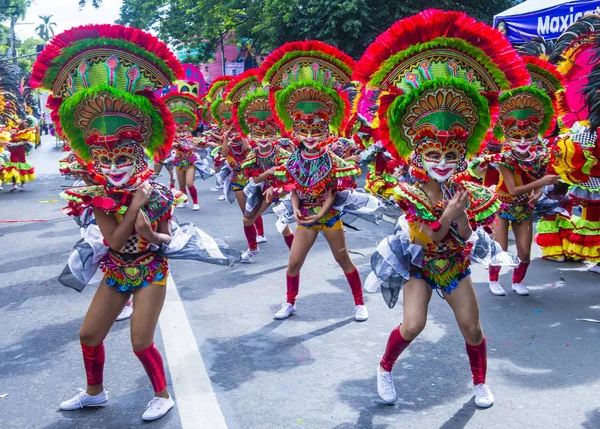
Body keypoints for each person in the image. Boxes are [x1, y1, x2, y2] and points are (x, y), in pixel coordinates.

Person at [356, 9, 531, 408]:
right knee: (414, 325)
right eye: (434, 152)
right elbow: (430, 235)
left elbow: (467, 236)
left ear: (462, 153)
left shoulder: (466, 188)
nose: (443, 160)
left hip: (454, 266)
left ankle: (480, 383)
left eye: (451, 153)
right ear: (418, 152)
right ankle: (385, 367)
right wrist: (449, 213)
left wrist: (461, 211)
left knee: (472, 328)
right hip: (420, 265)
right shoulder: (409, 190)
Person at [32, 24, 186, 421]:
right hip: (118, 269)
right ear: (94, 161)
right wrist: (134, 206)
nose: (113, 166)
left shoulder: (161, 193)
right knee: (88, 335)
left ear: (138, 157)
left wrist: (154, 234)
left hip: (151, 271)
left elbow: (167, 237)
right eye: (105, 160)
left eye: (122, 159)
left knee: (139, 341)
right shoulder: (99, 198)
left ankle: (162, 394)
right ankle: (95, 392)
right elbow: (115, 243)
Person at [259, 40, 368, 322]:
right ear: (296, 129)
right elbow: (294, 184)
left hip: (327, 215)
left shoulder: (331, 157)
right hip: (305, 215)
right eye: (304, 129)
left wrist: (320, 212)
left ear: (324, 128)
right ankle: (290, 302)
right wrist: (295, 208)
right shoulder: (295, 158)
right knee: (293, 263)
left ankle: (359, 303)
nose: (309, 135)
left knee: (343, 260)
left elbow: (332, 190)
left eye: (315, 129)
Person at [487, 86, 558, 296]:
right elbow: (513, 189)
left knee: (525, 253)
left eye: (528, 136)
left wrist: (538, 192)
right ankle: (493, 280)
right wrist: (541, 182)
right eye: (517, 137)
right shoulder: (505, 158)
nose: (523, 142)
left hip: (524, 208)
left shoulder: (538, 157)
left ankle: (517, 281)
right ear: (508, 137)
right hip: (502, 206)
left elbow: (537, 182)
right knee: (501, 250)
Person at [231, 70, 294, 262]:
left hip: (281, 189)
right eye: (259, 135)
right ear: (254, 136)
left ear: (274, 134)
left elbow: (290, 172)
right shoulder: (254, 153)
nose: (264, 139)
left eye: (268, 134)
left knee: (281, 224)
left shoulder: (281, 152)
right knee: (252, 219)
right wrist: (268, 172)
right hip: (264, 188)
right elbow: (255, 178)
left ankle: (294, 253)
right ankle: (254, 248)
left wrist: (278, 185)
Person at [162, 90, 203, 210]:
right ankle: (184, 201)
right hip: (178, 162)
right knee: (181, 184)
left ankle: (195, 202)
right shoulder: (173, 140)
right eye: (179, 132)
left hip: (190, 163)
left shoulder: (191, 139)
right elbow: (167, 148)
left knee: (190, 183)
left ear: (189, 131)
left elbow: (195, 145)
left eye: (184, 131)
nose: (181, 134)